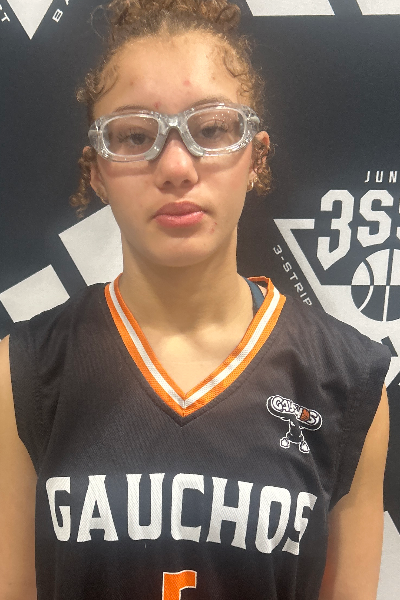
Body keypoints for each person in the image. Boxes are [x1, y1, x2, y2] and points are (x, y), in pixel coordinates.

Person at [0, 0, 391, 599]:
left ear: (256, 156)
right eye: (135, 136)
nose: (177, 167)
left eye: (211, 130)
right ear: (97, 172)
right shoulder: (23, 372)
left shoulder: (347, 380)